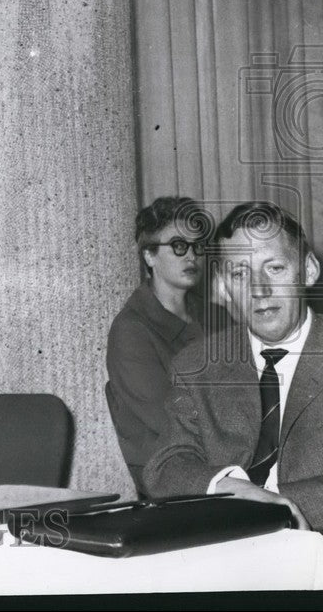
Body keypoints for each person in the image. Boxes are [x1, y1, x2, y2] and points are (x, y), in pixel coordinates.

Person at [143, 201, 321, 529]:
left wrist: (278, 505)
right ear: (225, 287)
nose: (259, 290)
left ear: (308, 270)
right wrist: (230, 488)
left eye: (275, 268)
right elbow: (165, 466)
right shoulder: (198, 364)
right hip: (225, 541)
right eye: (241, 273)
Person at [105, 196, 211, 493]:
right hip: (176, 472)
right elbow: (172, 421)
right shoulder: (132, 331)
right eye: (178, 246)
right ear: (149, 256)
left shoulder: (219, 317)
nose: (191, 255)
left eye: (197, 246)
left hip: (229, 457)